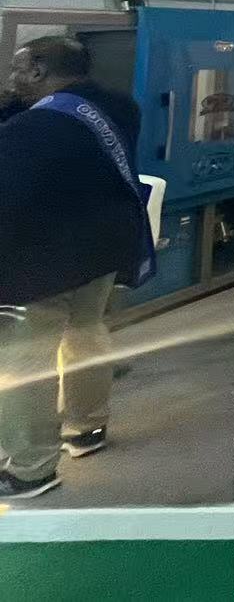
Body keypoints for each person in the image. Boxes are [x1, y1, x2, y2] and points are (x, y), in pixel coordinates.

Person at [0, 36, 151, 499]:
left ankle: (30, 468)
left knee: (27, 356)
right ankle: (86, 428)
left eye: (18, 70)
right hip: (103, 249)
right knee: (86, 331)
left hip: (42, 258)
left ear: (39, 70)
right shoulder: (118, 107)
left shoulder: (33, 126)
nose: (12, 78)